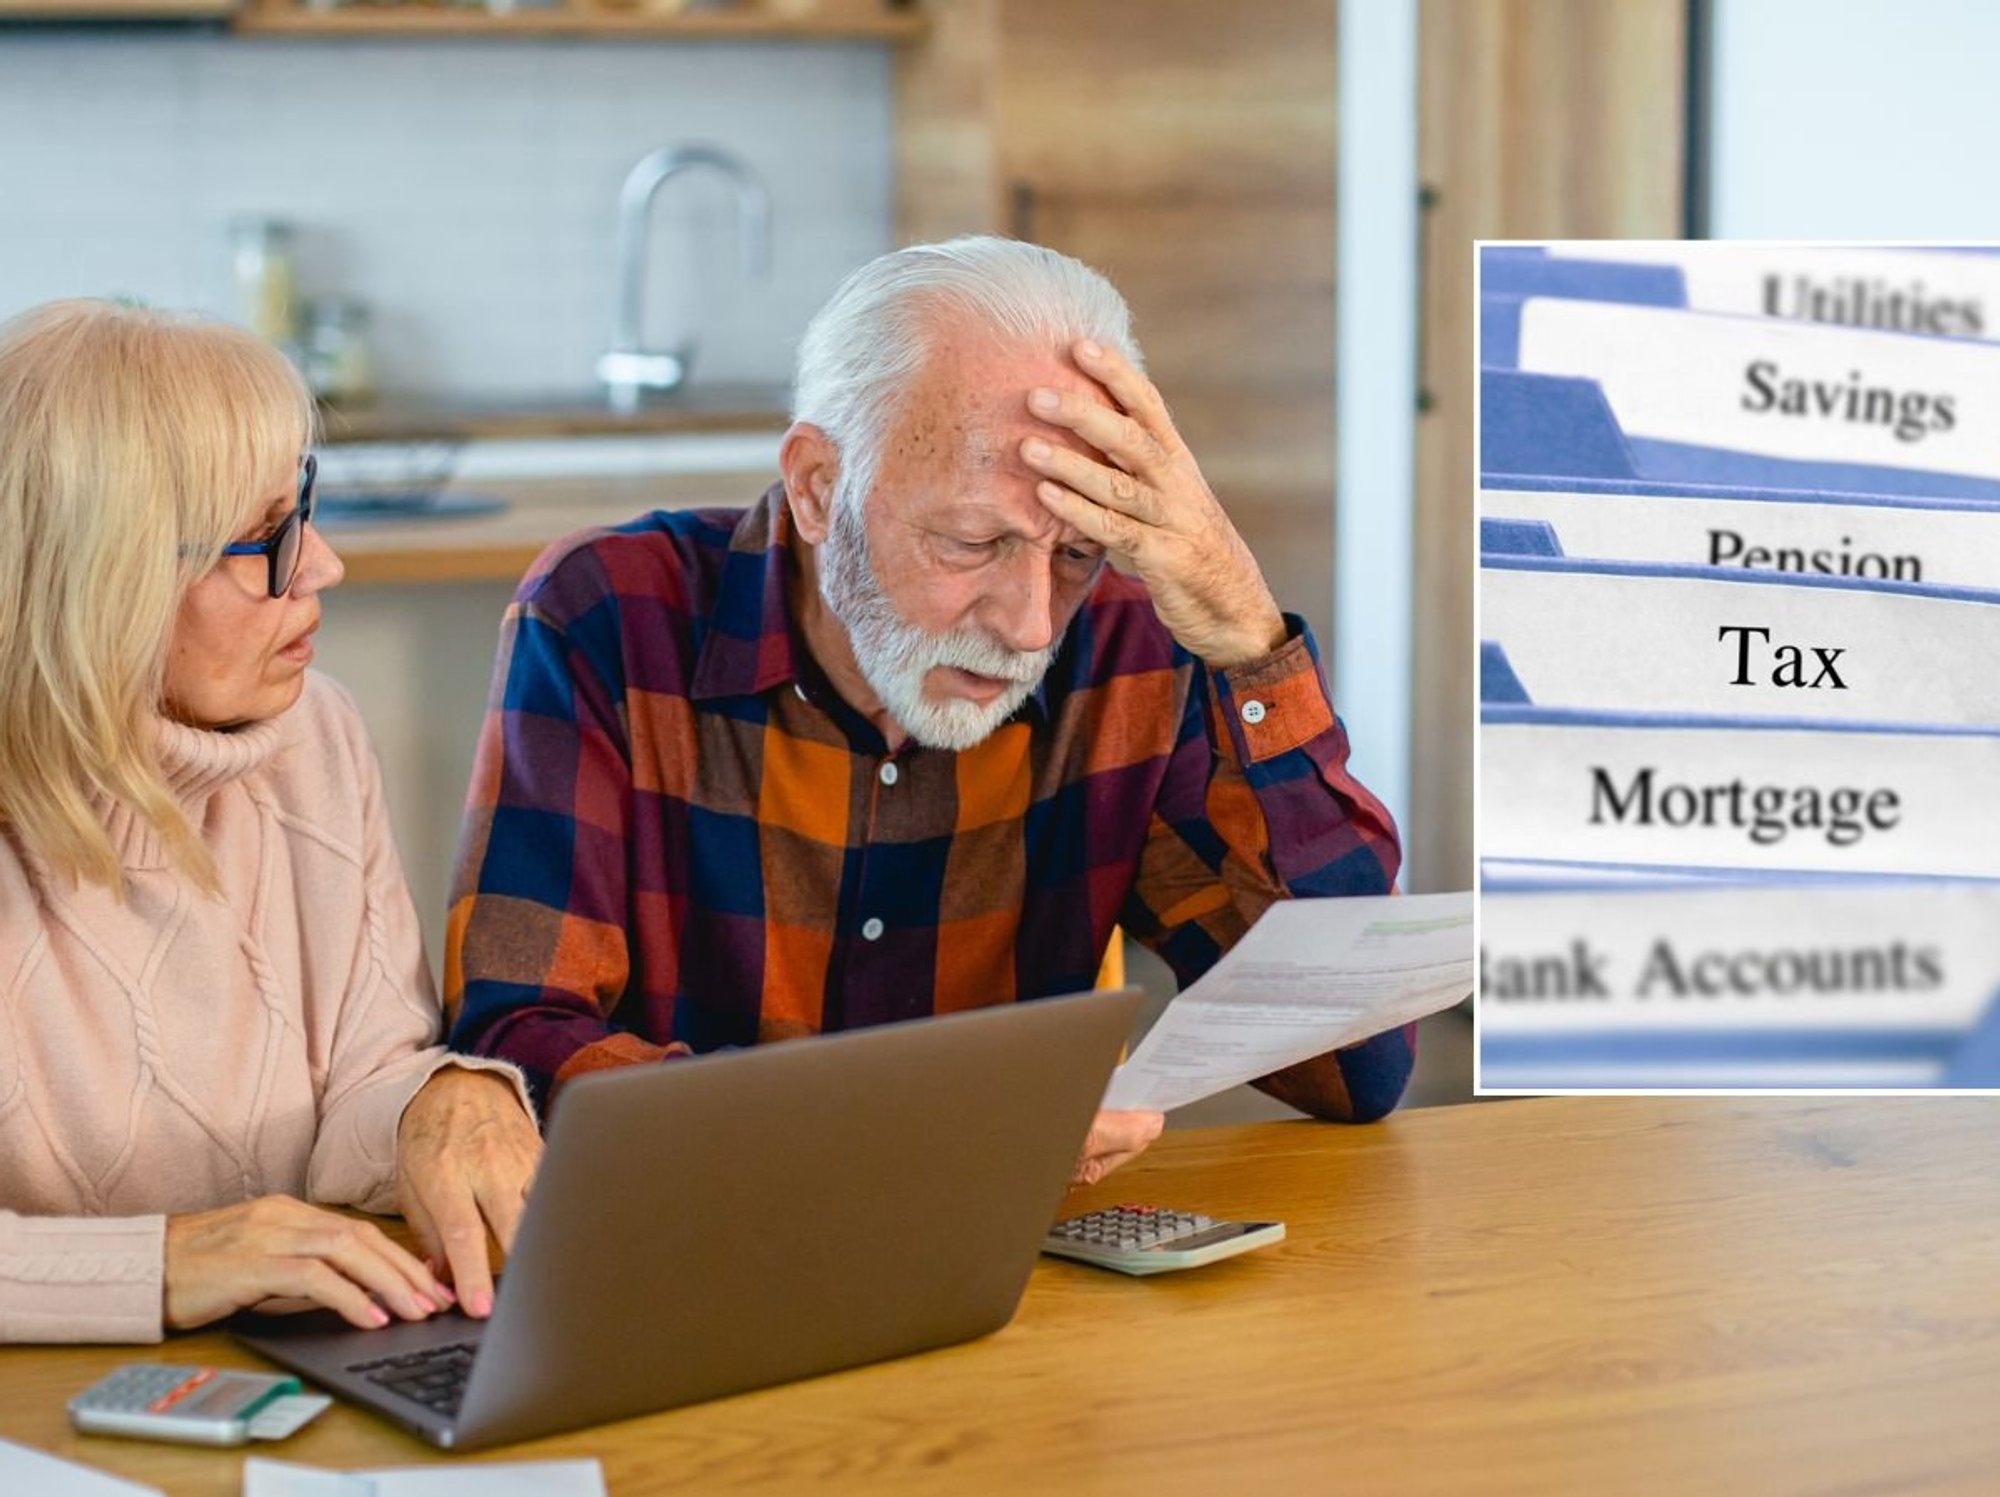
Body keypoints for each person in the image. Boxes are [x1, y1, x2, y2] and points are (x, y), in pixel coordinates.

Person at [445, 237, 1408, 1183]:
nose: (1031, 626)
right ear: (818, 487)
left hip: (1013, 1263)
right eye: (972, 542)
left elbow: (1354, 1063)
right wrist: (906, 1133)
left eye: (1077, 553)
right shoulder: (609, 615)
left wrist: (1248, 641)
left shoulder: (1128, 649)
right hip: (694, 1243)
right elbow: (516, 1043)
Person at [0, 300, 541, 1344]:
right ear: (99, 576)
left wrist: (441, 1097)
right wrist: (162, 1264)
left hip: (282, 1370)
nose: (323, 564)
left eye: (303, 508)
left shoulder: (314, 734)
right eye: (265, 537)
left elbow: (366, 1070)